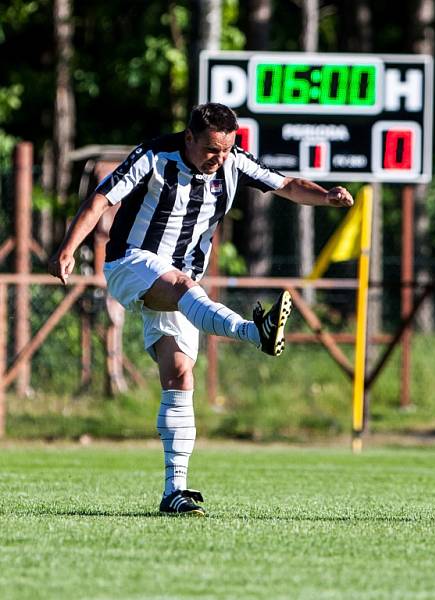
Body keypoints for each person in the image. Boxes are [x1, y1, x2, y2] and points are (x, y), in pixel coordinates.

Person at [48, 103, 353, 516]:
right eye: (211, 149)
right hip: (130, 264)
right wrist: (69, 248)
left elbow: (287, 184)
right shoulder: (154, 157)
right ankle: (253, 332)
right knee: (182, 285)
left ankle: (174, 491)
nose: (220, 158)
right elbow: (101, 199)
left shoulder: (233, 163)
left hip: (181, 283)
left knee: (179, 375)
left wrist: (327, 196)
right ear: (188, 138)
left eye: (226, 149)